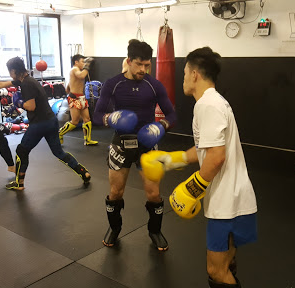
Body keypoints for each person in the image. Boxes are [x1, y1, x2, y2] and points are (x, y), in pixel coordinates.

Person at [141, 47, 257, 288]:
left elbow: (216, 157)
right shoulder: (215, 102)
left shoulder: (207, 105)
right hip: (234, 199)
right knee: (226, 265)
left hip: (227, 203)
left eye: (184, 73)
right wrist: (172, 159)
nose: (183, 78)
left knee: (216, 271)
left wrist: (192, 189)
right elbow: (205, 149)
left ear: (194, 74)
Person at [93, 39, 176, 250]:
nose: (143, 69)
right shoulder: (113, 84)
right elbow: (97, 115)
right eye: (139, 64)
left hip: (147, 144)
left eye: (147, 65)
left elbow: (172, 114)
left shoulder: (154, 85)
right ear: (128, 61)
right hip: (120, 143)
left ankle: (155, 231)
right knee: (116, 192)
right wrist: (110, 118)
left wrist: (162, 126)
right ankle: (115, 228)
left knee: (154, 194)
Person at [4, 57, 91, 190]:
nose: (10, 74)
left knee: (21, 150)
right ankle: (83, 172)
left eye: (10, 71)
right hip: (51, 120)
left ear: (14, 70)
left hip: (39, 124)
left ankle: (19, 183)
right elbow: (0, 85)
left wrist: (19, 102)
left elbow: (31, 106)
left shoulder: (26, 84)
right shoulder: (31, 80)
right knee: (59, 152)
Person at [58, 54, 98, 146]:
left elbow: (68, 86)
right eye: (82, 62)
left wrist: (69, 90)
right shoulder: (75, 69)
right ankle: (60, 133)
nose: (84, 64)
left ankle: (87, 140)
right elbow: (81, 76)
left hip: (82, 98)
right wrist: (88, 66)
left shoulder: (77, 71)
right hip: (75, 98)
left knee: (87, 119)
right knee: (75, 121)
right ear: (76, 62)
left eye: (85, 62)